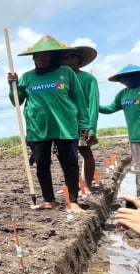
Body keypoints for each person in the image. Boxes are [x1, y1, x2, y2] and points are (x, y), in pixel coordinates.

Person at [7, 35, 90, 212]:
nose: (39, 59)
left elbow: (79, 100)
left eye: (44, 55)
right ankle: (49, 200)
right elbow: (17, 101)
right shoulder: (27, 77)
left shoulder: (66, 73)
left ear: (54, 57)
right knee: (42, 165)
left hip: (64, 126)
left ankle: (73, 201)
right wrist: (12, 85)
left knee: (70, 164)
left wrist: (85, 124)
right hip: (38, 128)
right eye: (36, 56)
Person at [61, 46, 100, 195]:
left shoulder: (88, 79)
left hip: (82, 122)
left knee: (85, 152)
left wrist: (92, 127)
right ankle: (73, 186)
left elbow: (93, 104)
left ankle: (88, 185)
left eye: (72, 57)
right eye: (66, 58)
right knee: (66, 156)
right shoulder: (60, 79)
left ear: (79, 60)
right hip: (64, 124)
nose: (69, 60)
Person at [99, 64, 140, 169]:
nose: (123, 81)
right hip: (134, 136)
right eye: (121, 79)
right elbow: (110, 108)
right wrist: (94, 106)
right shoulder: (123, 94)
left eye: (126, 77)